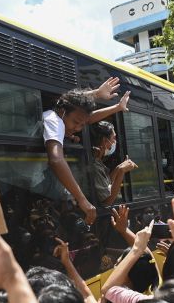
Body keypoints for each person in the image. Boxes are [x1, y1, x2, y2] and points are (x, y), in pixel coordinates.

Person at [36, 77, 130, 225]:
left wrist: (116, 107)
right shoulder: (55, 121)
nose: (77, 128)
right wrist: (82, 200)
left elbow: (84, 117)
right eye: (75, 123)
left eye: (81, 125)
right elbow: (56, 159)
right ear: (62, 111)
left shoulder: (59, 117)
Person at [89, 120, 138, 206]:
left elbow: (107, 183)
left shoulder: (99, 162)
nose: (115, 142)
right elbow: (107, 201)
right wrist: (122, 171)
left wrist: (119, 168)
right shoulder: (94, 166)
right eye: (114, 138)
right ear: (105, 141)